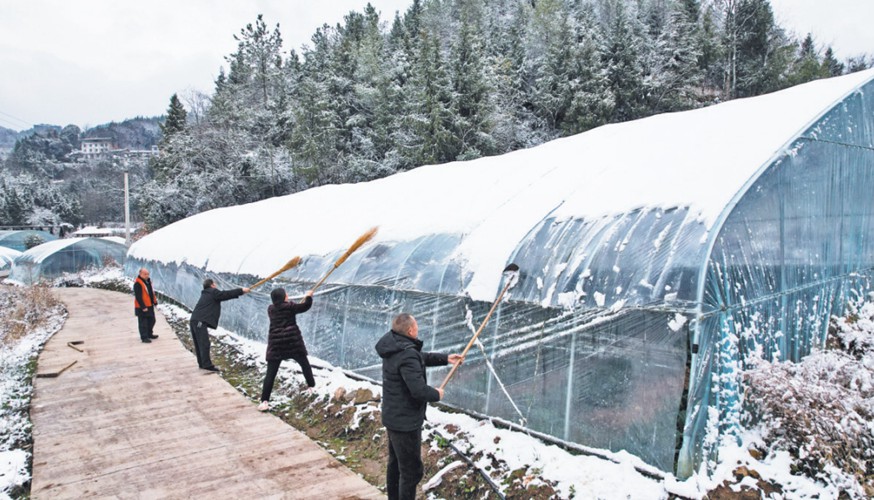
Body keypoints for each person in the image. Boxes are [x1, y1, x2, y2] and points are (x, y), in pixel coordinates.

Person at [375, 313, 463, 500]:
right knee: (411, 472)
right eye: (416, 326)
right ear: (410, 331)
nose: (418, 328)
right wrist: (436, 394)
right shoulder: (406, 354)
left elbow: (419, 357)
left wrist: (446, 358)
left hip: (394, 417)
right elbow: (418, 390)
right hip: (405, 422)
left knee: (396, 465)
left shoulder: (394, 346)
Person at [257, 288, 315, 411]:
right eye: (286, 294)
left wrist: (293, 303)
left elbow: (291, 307)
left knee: (270, 374)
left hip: (276, 345)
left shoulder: (271, 309)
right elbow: (305, 307)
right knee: (304, 364)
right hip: (292, 343)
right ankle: (311, 386)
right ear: (283, 297)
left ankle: (264, 401)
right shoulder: (290, 307)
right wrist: (309, 296)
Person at [189, 278, 250, 372]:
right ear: (212, 285)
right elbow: (225, 294)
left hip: (195, 320)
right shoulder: (212, 292)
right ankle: (206, 365)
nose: (216, 286)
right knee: (204, 343)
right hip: (199, 321)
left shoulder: (206, 293)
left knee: (199, 343)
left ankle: (202, 363)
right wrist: (241, 291)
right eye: (214, 284)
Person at [133, 268, 159, 343]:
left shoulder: (148, 282)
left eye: (148, 274)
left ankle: (149, 334)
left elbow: (151, 292)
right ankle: (144, 337)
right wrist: (143, 306)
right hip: (142, 307)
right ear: (140, 274)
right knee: (143, 323)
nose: (147, 275)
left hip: (149, 305)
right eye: (145, 274)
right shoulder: (137, 283)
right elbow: (138, 296)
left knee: (152, 320)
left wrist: (154, 301)